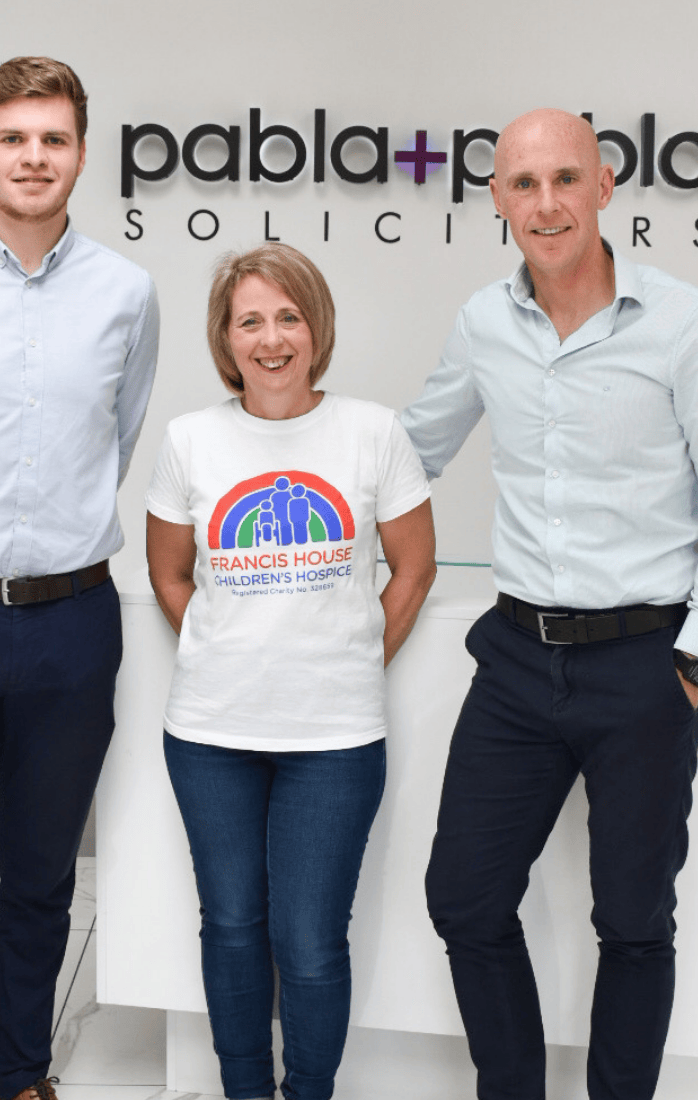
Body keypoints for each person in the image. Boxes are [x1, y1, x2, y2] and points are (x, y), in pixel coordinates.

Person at [401, 107, 698, 1100]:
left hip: (644, 667)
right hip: (518, 662)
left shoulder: (678, 320)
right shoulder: (484, 323)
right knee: (463, 898)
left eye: (563, 179)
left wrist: (693, 656)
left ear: (604, 186)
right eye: (522, 184)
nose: (544, 202)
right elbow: (411, 450)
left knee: (630, 917)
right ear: (495, 200)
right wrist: (268, 482)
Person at [0, 57, 159, 1100]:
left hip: (70, 620)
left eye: (53, 138)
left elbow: (118, 436)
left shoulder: (125, 293)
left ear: (80, 153)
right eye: (14, 138)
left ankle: (19, 1073)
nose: (33, 156)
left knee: (43, 879)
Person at [146, 242, 435, 1100]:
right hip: (208, 735)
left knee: (309, 941)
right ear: (225, 339)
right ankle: (244, 1090)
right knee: (231, 927)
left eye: (289, 317)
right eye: (250, 322)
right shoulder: (190, 440)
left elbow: (413, 568)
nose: (271, 339)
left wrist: (353, 657)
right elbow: (169, 572)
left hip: (336, 740)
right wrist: (218, 645)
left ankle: (308, 1092)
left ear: (316, 329)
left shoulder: (373, 432)